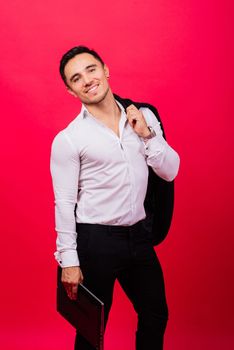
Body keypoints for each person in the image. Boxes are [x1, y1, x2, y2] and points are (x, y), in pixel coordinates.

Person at [50, 45, 180, 350]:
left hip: (139, 236)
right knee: (91, 330)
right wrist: (69, 261)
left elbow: (170, 171)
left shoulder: (144, 115)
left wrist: (147, 134)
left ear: (105, 70)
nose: (87, 80)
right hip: (96, 242)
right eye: (76, 78)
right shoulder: (69, 139)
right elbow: (65, 204)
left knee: (155, 314)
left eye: (91, 69)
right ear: (71, 91)